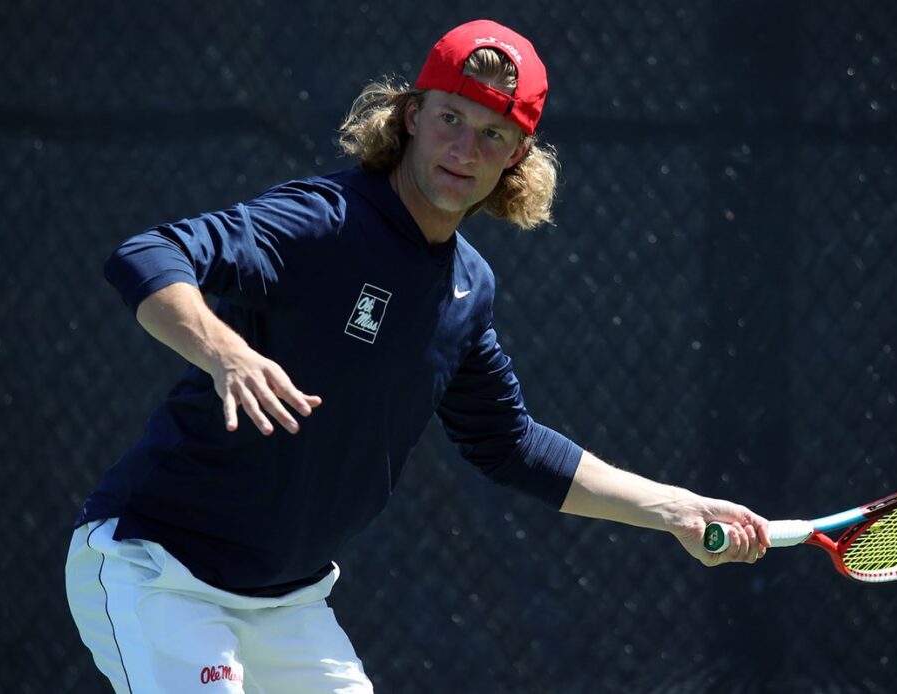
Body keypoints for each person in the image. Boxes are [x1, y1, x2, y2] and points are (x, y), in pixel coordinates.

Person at [65, 19, 771, 694]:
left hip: (286, 603)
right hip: (157, 568)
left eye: (493, 133)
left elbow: (511, 444)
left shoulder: (468, 288)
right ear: (410, 115)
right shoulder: (324, 222)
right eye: (451, 119)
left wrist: (676, 508)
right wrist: (226, 353)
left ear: (518, 156)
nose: (464, 149)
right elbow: (149, 254)